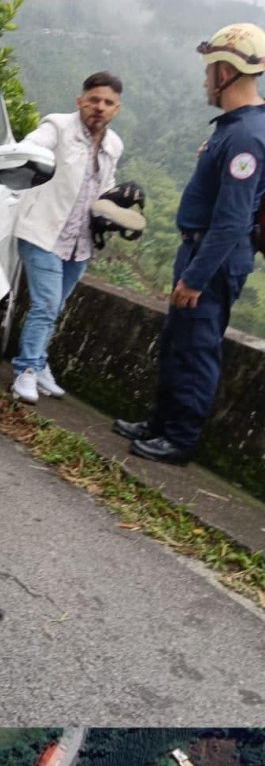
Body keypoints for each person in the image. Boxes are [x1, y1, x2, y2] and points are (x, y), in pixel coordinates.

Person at [112, 23, 265, 465]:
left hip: (214, 259)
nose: (204, 79)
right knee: (177, 342)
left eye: (209, 69)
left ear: (227, 72)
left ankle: (180, 439)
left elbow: (233, 220)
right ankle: (160, 424)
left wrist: (196, 278)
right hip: (198, 251)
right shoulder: (237, 127)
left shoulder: (245, 137)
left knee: (197, 349)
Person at [11, 72, 124, 404]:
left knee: (55, 306)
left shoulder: (114, 145)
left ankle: (39, 362)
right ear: (80, 101)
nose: (99, 108)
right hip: (43, 232)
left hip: (81, 242)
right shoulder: (57, 127)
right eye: (93, 100)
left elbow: (104, 187)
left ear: (117, 108)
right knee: (45, 305)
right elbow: (32, 146)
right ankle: (25, 370)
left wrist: (119, 200)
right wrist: (28, 155)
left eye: (107, 103)